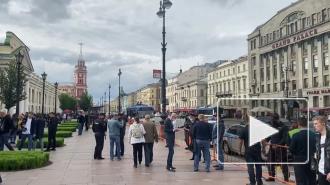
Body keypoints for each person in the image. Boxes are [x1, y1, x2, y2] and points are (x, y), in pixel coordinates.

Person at [289, 117, 316, 185]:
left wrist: (296, 154)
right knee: (311, 179)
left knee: (300, 180)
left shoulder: (295, 135)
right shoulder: (314, 135)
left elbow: (291, 149)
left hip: (299, 160)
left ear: (299, 125)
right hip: (311, 159)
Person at [239, 114, 263, 185]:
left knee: (250, 167)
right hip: (257, 150)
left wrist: (239, 150)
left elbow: (240, 141)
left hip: (249, 151)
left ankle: (252, 182)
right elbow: (263, 140)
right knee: (258, 166)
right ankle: (259, 182)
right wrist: (264, 147)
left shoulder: (245, 129)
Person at [266, 113, 289, 182]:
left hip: (280, 148)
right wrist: (265, 140)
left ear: (277, 119)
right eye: (271, 119)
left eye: (273, 119)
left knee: (282, 163)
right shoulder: (272, 126)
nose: (272, 121)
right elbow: (269, 136)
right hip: (272, 146)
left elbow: (285, 138)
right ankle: (271, 176)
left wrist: (278, 145)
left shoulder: (284, 127)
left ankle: (286, 178)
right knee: (270, 162)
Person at [313, 116, 330, 185]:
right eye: (314, 124)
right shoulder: (317, 137)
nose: (314, 126)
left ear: (323, 123)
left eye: (316, 123)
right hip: (321, 171)